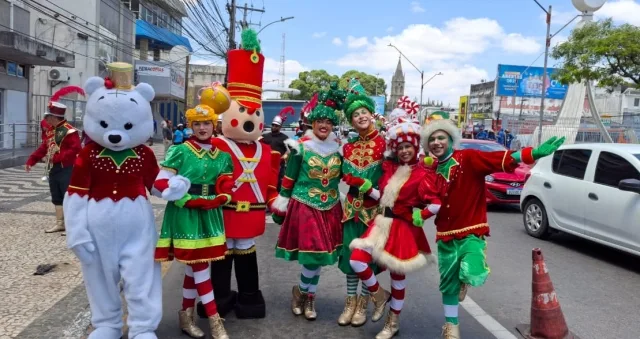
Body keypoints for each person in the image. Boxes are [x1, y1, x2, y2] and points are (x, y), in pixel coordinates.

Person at [416, 114, 565, 338]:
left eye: (441, 138)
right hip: (445, 234)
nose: (436, 143)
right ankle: (451, 327)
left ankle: (464, 281)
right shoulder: (431, 171)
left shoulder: (468, 158)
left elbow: (499, 159)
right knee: (447, 285)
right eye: (432, 140)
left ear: (450, 139)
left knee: (473, 272)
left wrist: (531, 154)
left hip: (471, 230)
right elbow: (427, 201)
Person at [199, 29, 282, 320]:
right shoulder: (215, 146)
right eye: (243, 111)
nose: (250, 119)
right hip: (221, 213)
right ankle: (219, 299)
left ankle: (248, 298)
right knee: (221, 256)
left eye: (255, 113)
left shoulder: (267, 151)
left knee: (246, 253)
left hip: (251, 214)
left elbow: (270, 185)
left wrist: (276, 201)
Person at [347, 119, 438, 339]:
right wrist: (366, 187)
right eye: (401, 147)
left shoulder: (422, 173)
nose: (405, 151)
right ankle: (378, 295)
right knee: (356, 260)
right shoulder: (390, 168)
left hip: (403, 228)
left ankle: (393, 320)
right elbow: (385, 199)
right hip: (380, 223)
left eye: (408, 146)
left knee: (398, 276)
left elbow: (435, 202)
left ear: (415, 147)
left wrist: (421, 215)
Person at [154, 103, 234, 339]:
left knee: (195, 268)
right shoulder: (180, 151)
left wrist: (223, 196)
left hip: (210, 214)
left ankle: (185, 317)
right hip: (186, 213)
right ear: (191, 126)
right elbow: (160, 183)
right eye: (196, 124)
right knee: (200, 267)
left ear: (214, 125)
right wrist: (185, 199)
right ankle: (214, 320)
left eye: (206, 123)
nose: (202, 128)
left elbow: (227, 183)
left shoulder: (222, 156)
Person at [270, 87, 345, 321]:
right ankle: (306, 294)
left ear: (333, 126)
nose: (324, 125)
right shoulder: (300, 147)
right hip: (305, 206)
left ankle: (305, 295)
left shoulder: (339, 150)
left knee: (320, 256)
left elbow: (347, 176)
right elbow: (289, 178)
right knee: (313, 255)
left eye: (328, 122)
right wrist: (281, 204)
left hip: (331, 207)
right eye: (320, 121)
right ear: (312, 123)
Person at [336, 79, 387, 327]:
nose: (360, 117)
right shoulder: (347, 147)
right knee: (349, 256)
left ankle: (365, 302)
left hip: (374, 212)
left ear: (371, 113)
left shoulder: (385, 143)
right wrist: (360, 183)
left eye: (363, 112)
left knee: (367, 257)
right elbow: (345, 174)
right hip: (350, 210)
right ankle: (350, 301)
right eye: (355, 115)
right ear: (351, 121)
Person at [26, 86, 84, 234]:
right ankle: (60, 223)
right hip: (54, 168)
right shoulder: (51, 131)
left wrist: (58, 157)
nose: (46, 120)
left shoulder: (69, 131)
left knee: (68, 195)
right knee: (56, 195)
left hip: (67, 168)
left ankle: (72, 225)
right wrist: (31, 160)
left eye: (48, 117)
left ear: (53, 117)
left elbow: (75, 149)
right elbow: (43, 148)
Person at [262, 108, 292, 191]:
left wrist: (284, 156)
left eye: (276, 126)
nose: (274, 127)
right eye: (273, 125)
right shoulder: (265, 136)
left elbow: (291, 150)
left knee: (277, 182)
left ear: (280, 126)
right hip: (266, 163)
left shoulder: (285, 138)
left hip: (279, 165)